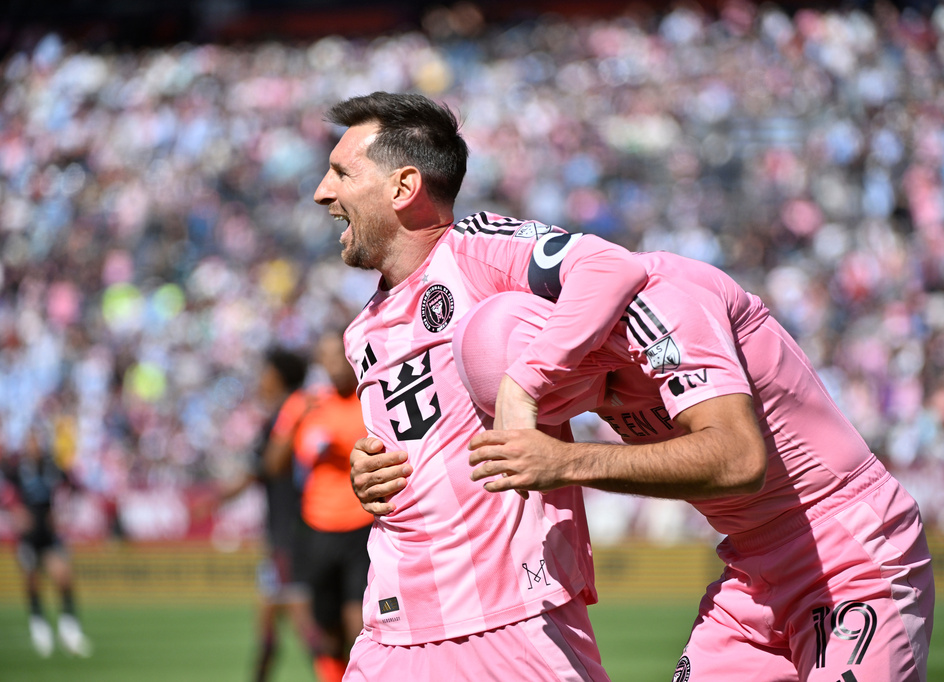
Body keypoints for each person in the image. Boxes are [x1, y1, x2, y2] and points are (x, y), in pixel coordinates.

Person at [354, 251, 936, 681]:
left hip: (849, 550)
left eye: (551, 402)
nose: (570, 414)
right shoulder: (591, 357)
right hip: (751, 568)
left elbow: (739, 459)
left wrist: (567, 461)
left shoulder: (664, 304)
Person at [312, 91, 653, 681]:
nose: (323, 191)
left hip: (511, 622)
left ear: (403, 186)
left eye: (342, 172)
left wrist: (524, 387)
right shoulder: (361, 330)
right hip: (390, 629)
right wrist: (367, 472)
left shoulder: (476, 249)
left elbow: (610, 267)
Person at [264, 329, 374, 682]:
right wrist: (296, 420)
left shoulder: (370, 398)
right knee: (325, 631)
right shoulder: (305, 403)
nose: (333, 362)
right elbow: (273, 466)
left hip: (362, 526)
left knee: (358, 623)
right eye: (325, 355)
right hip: (317, 530)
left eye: (338, 353)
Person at [213, 346, 322, 682]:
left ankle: (344, 672)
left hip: (291, 535)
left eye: (265, 373)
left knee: (304, 625)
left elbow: (260, 470)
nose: (260, 380)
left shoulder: (286, 417)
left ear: (277, 377)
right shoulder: (301, 411)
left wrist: (214, 499)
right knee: (269, 627)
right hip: (289, 534)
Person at [0, 423, 92, 658]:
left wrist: (62, 514)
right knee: (32, 580)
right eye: (30, 441)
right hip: (29, 536)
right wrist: (14, 512)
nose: (34, 446)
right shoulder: (16, 468)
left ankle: (69, 627)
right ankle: (39, 624)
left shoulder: (52, 466)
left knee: (63, 576)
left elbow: (74, 486)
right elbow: (6, 494)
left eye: (37, 441)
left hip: (49, 534)